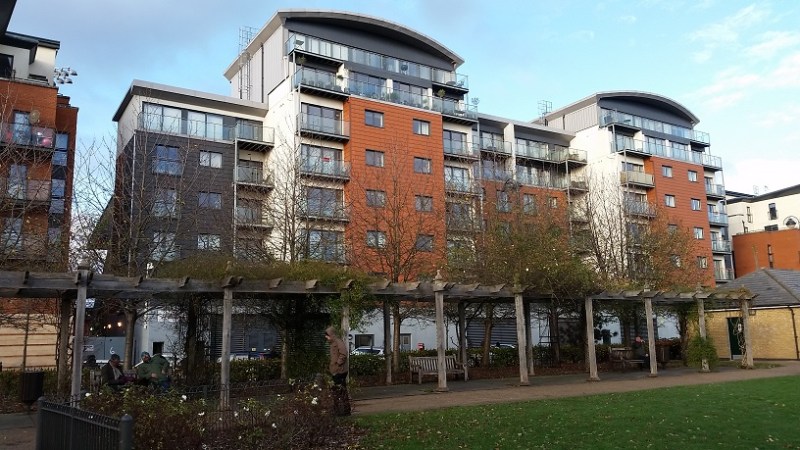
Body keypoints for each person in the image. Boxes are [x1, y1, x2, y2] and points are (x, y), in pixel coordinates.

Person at [325, 326, 350, 416]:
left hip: (340, 371)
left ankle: (343, 411)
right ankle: (340, 410)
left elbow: (344, 353)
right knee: (337, 391)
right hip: (336, 370)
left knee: (340, 391)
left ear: (331, 335)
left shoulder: (338, 341)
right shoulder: (333, 343)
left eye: (327, 336)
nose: (326, 337)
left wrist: (338, 363)